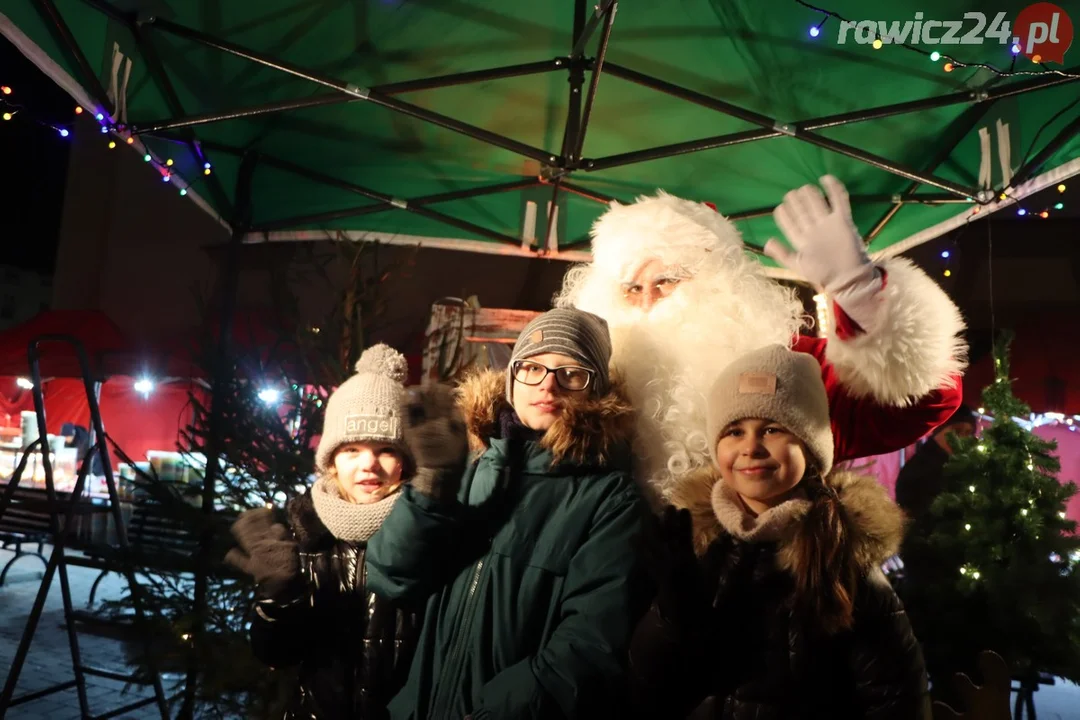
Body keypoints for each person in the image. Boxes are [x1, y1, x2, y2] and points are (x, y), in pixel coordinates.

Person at [555, 176, 967, 496]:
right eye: (630, 288)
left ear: (720, 284)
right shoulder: (588, 384)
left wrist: (859, 291)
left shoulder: (787, 367)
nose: (646, 302)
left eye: (666, 281)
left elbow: (927, 397)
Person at [365, 308, 649, 719]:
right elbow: (391, 576)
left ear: (595, 389)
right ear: (512, 378)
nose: (548, 384)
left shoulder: (609, 497)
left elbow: (590, 641)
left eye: (571, 373)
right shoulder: (467, 469)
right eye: (532, 367)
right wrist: (429, 488)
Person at [629, 344, 931, 719]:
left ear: (809, 446)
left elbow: (895, 700)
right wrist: (670, 616)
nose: (751, 447)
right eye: (735, 431)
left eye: (772, 429)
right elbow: (648, 688)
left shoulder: (841, 555)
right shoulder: (691, 546)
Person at [225, 344, 420, 719]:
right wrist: (279, 597)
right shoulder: (305, 534)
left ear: (405, 461)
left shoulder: (426, 534)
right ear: (331, 460)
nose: (369, 465)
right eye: (352, 450)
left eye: (385, 449)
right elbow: (274, 654)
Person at [894, 404, 977, 519]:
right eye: (957, 431)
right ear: (939, 430)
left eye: (968, 433)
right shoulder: (917, 470)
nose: (962, 439)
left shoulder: (969, 469)